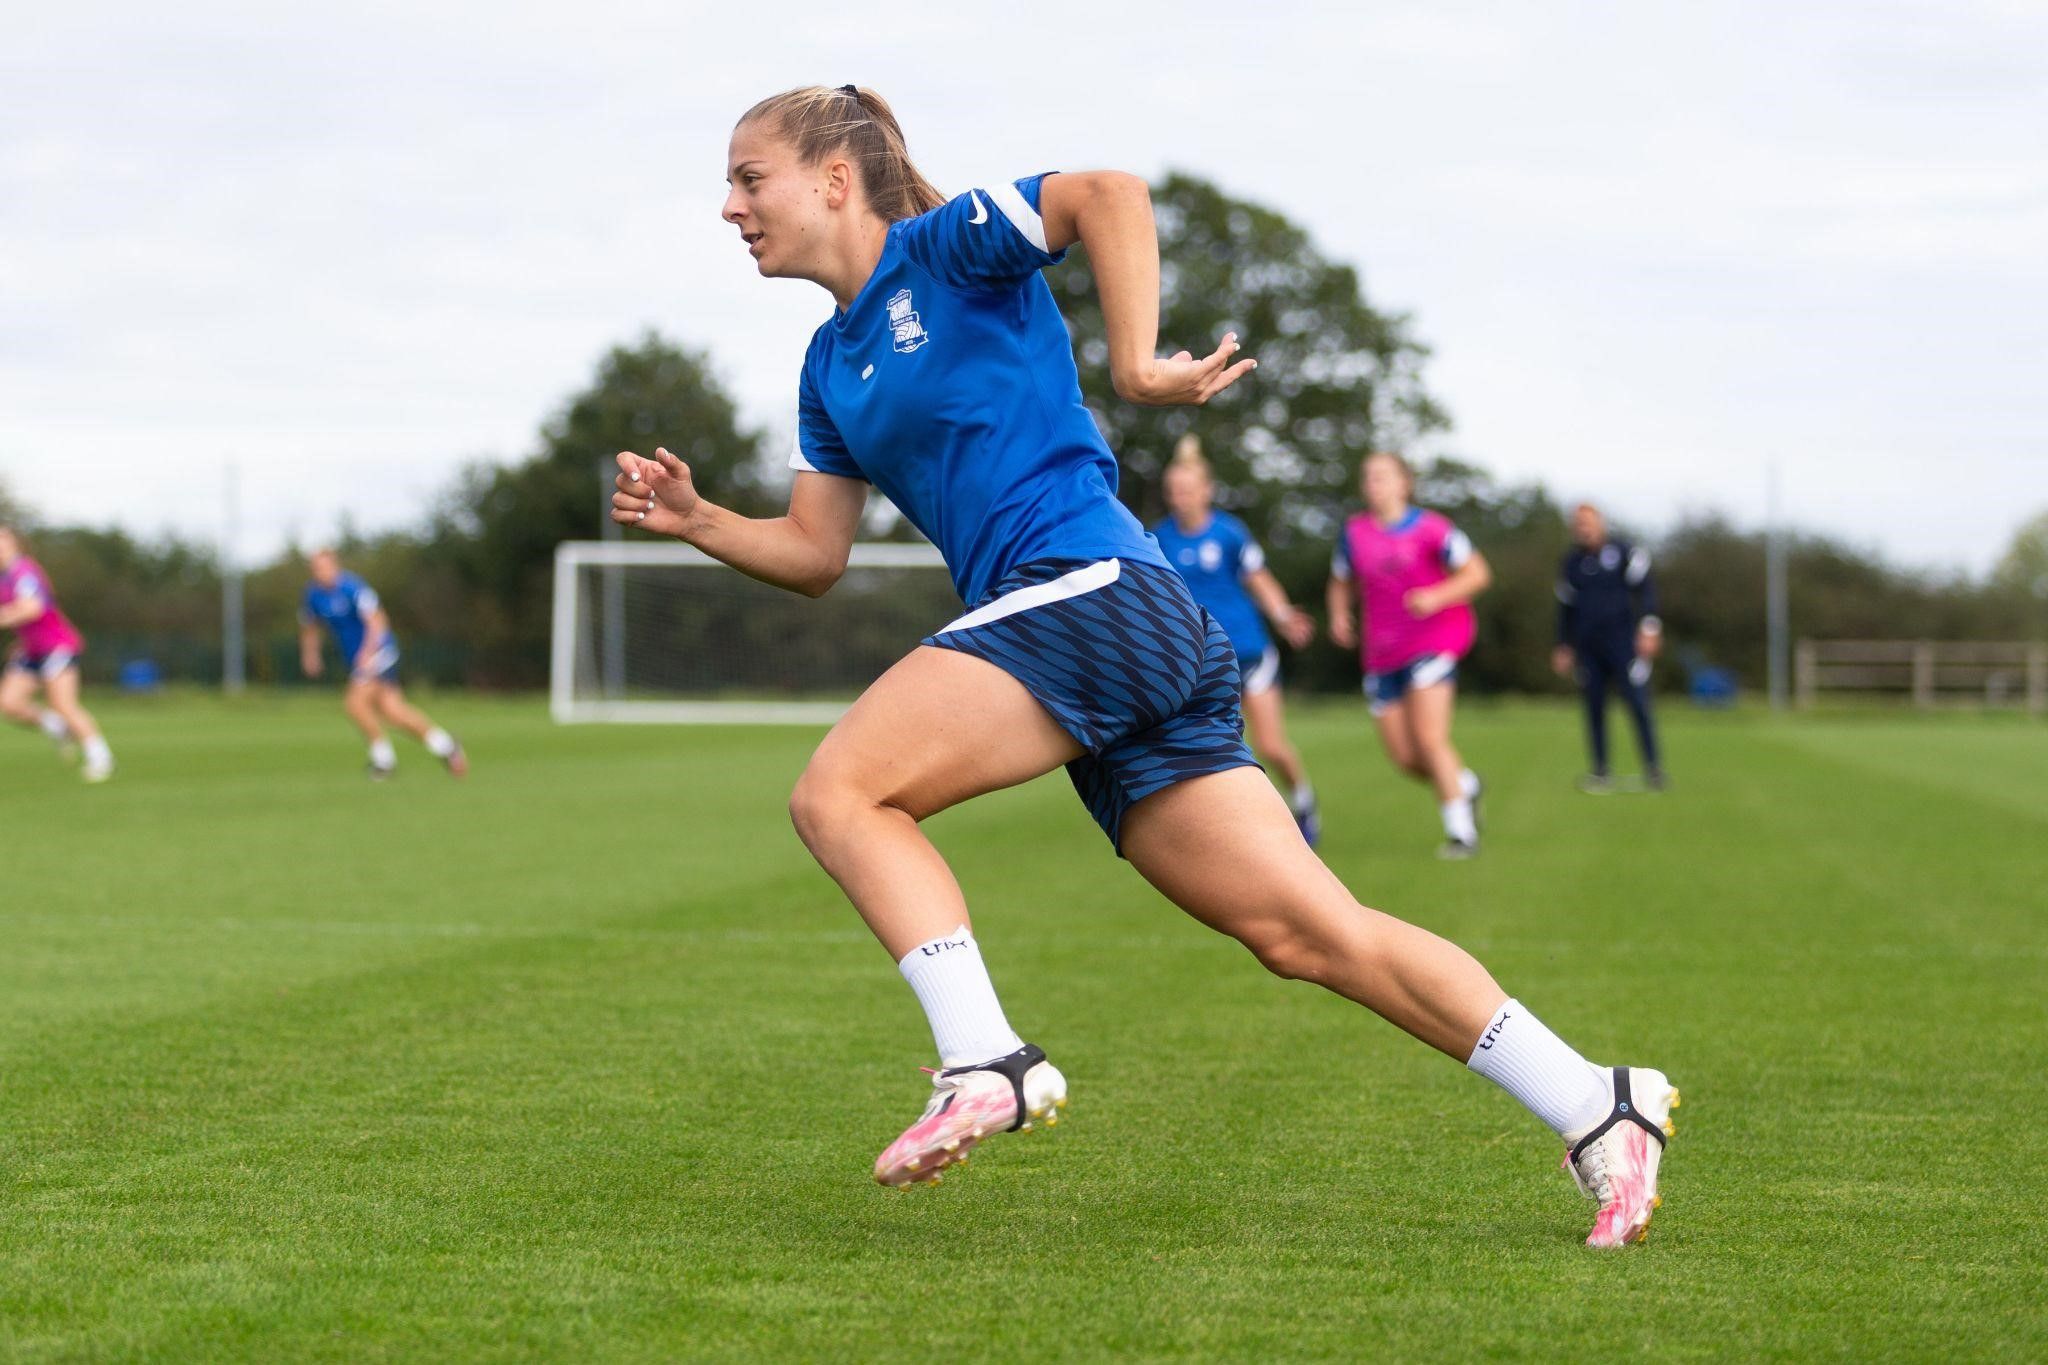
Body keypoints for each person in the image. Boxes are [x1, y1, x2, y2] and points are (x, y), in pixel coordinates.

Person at [613, 83, 1677, 1247]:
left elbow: (1105, 193)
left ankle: (985, 1062)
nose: (726, 207)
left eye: (745, 178)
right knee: (1307, 933)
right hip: (1116, 636)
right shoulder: (828, 367)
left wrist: (1133, 366)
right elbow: (816, 552)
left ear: (830, 178)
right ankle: (1595, 1102)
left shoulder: (948, 246)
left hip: (1091, 592)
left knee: (840, 792)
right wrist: (701, 519)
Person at [1151, 435, 1320, 844]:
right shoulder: (1158, 538)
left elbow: (1258, 579)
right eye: (1173, 491)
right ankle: (1237, 828)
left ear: (1207, 491)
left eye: (1188, 490)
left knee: (1271, 744)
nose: (1181, 497)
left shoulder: (1229, 533)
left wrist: (1282, 615)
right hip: (1197, 662)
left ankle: (1303, 798)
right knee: (1217, 748)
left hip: (1248, 653)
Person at [1325, 453, 1490, 859]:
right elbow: (1340, 581)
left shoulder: (1432, 528)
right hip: (1382, 654)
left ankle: (1461, 835)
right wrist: (1338, 614)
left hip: (1434, 642)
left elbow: (1477, 574)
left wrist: (1436, 596)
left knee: (1430, 738)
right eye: (1367, 477)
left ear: (1404, 483)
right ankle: (1465, 785)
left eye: (1382, 476)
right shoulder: (1355, 533)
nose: (1373, 484)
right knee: (1405, 757)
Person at [299, 549, 467, 780]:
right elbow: (310, 627)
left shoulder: (353, 587)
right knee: (394, 712)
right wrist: (311, 655)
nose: (319, 572)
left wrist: (368, 653)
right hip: (359, 658)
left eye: (323, 567)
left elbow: (377, 621)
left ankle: (384, 761)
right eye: (315, 568)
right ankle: (446, 746)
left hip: (379, 651)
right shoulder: (313, 595)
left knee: (354, 704)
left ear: (335, 566)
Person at [1552, 503, 1665, 792]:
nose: (1584, 529)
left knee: (1638, 705)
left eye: (1588, 523)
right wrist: (1563, 644)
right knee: (1594, 709)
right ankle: (1601, 771)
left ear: (1600, 523)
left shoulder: (1626, 553)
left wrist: (1649, 627)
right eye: (1578, 524)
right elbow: (1565, 607)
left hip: (1625, 645)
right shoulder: (1572, 563)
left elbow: (1647, 592)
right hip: (1589, 648)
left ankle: (1653, 769)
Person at [0, 526, 115, 782]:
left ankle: (100, 756)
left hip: (57, 646)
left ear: (15, 543)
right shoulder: (3, 578)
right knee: (9, 703)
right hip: (31, 650)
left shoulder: (24, 571)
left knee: (63, 703)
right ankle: (57, 727)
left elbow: (33, 607)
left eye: (2, 539)